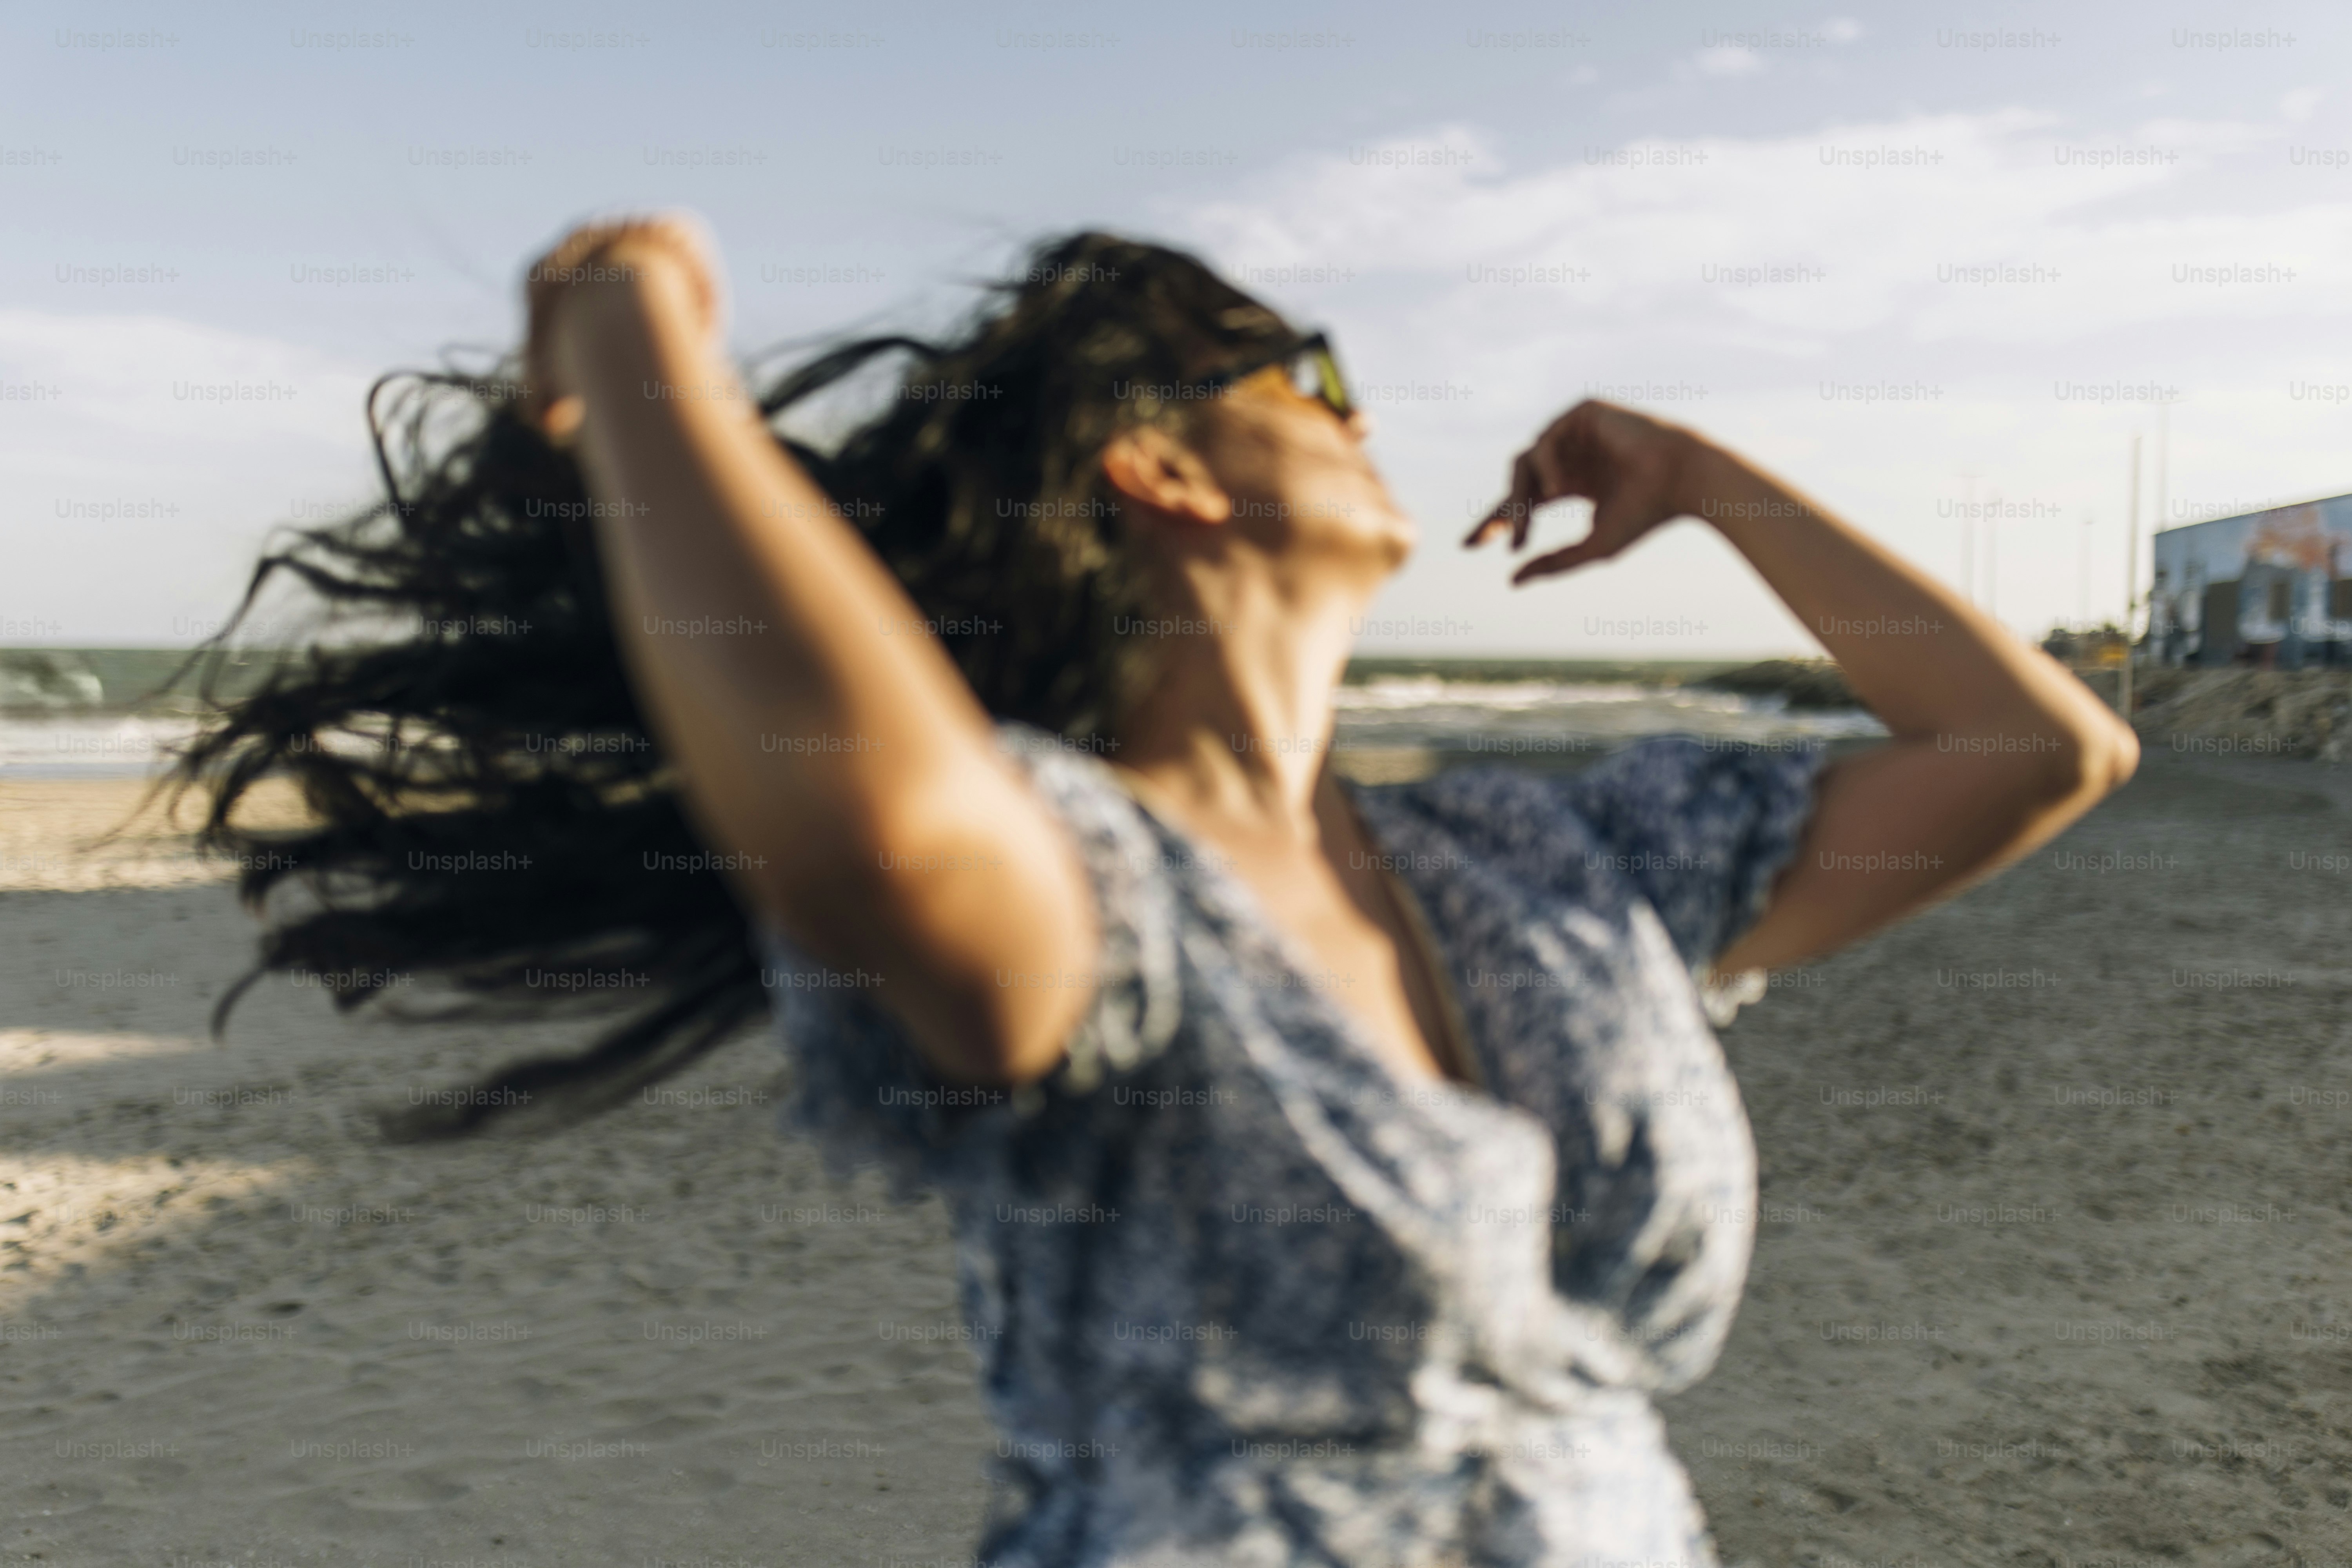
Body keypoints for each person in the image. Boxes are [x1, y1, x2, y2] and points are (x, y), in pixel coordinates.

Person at [176, 218, 2136, 1568]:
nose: (1370, 410)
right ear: (1159, 467)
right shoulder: (1096, 881)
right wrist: (631, 341)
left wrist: (1706, 475)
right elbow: (864, 813)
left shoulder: (1548, 859)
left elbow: (2039, 752)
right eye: (1314, 370)